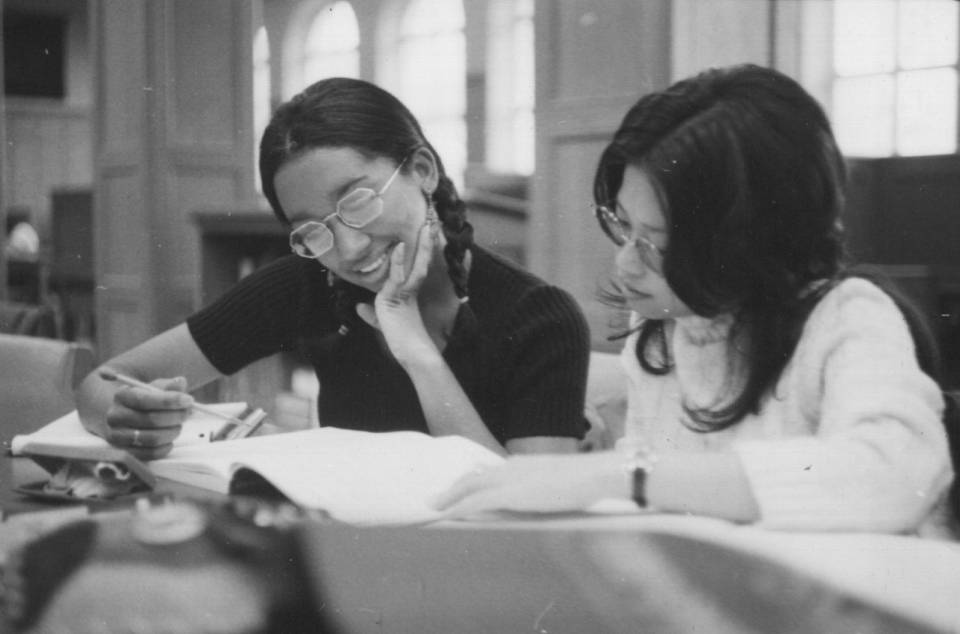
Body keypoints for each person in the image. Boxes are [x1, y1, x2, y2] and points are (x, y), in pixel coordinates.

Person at [436, 64, 957, 537]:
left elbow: (896, 474)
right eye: (622, 224)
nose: (625, 264)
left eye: (658, 242)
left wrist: (620, 475)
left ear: (750, 238)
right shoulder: (668, 325)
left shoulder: (848, 317)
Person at [76, 77, 590, 459]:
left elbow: (526, 519)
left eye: (358, 201)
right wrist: (125, 411)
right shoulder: (311, 283)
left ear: (422, 171)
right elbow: (105, 379)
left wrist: (418, 356)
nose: (347, 249)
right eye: (312, 230)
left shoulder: (539, 318)